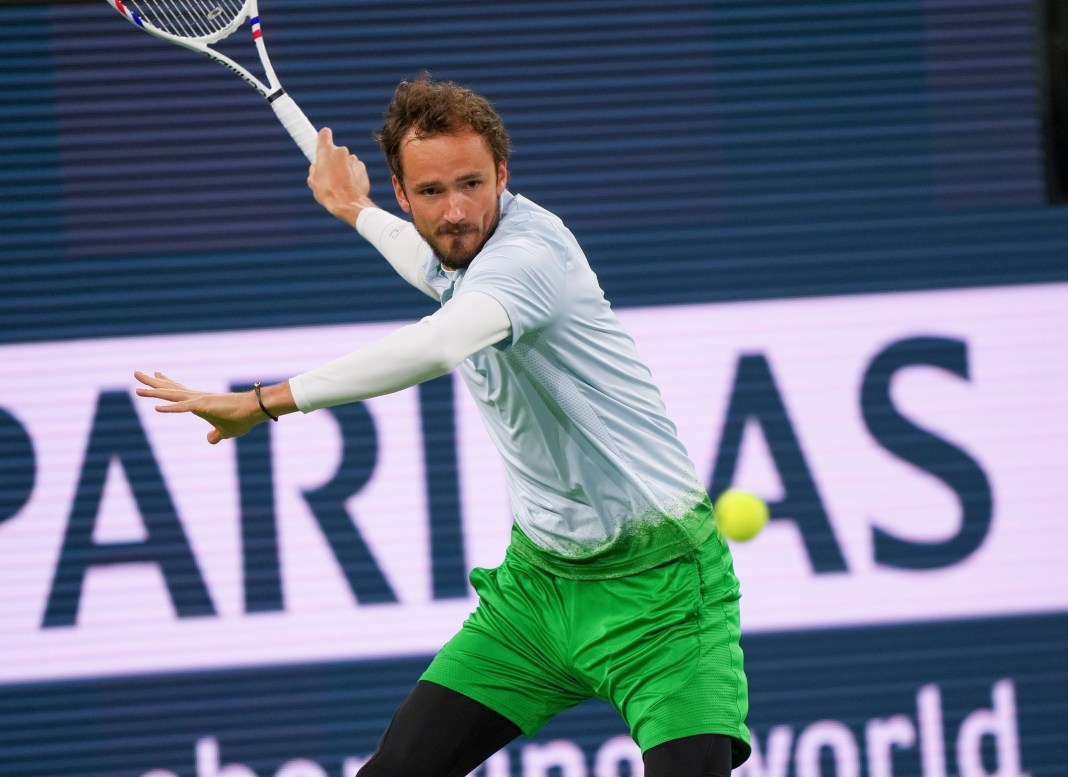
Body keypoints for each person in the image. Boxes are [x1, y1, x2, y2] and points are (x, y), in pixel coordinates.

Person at [135, 73, 751, 777]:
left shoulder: (528, 257)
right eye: (430, 192)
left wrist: (264, 400)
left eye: (472, 185)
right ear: (403, 192)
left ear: (502, 176)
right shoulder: (463, 250)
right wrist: (354, 209)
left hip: (663, 594)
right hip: (538, 591)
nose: (456, 211)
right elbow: (434, 266)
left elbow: (435, 342)